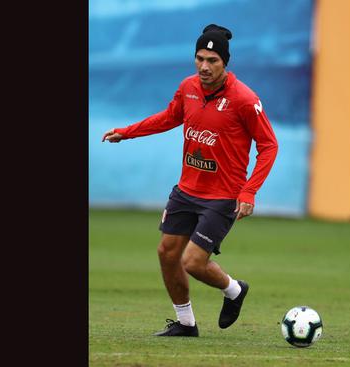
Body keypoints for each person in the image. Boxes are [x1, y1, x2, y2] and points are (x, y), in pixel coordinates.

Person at [102, 24, 278, 337]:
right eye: (199, 58)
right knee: (167, 254)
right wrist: (126, 132)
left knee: (193, 262)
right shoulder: (188, 87)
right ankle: (186, 324)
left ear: (226, 63)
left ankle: (235, 290)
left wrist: (249, 191)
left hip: (222, 195)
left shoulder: (244, 100)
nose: (204, 66)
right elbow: (169, 117)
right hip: (186, 190)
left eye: (213, 60)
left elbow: (269, 145)